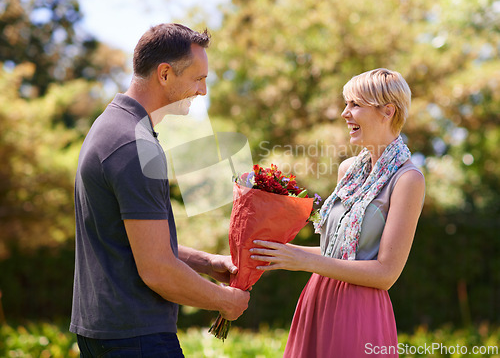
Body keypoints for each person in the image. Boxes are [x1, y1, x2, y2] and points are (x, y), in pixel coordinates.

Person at [70, 23, 250, 357]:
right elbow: (157, 269)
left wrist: (207, 262)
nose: (203, 92)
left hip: (105, 332)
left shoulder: (109, 128)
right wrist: (225, 300)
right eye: (198, 79)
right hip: (136, 339)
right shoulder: (135, 145)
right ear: (165, 74)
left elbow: (132, 242)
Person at [251, 68, 425, 357]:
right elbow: (336, 252)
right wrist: (278, 252)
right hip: (317, 301)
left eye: (355, 104)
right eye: (346, 104)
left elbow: (386, 274)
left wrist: (302, 260)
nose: (345, 113)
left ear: (387, 111)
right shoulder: (348, 170)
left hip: (359, 312)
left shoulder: (408, 179)